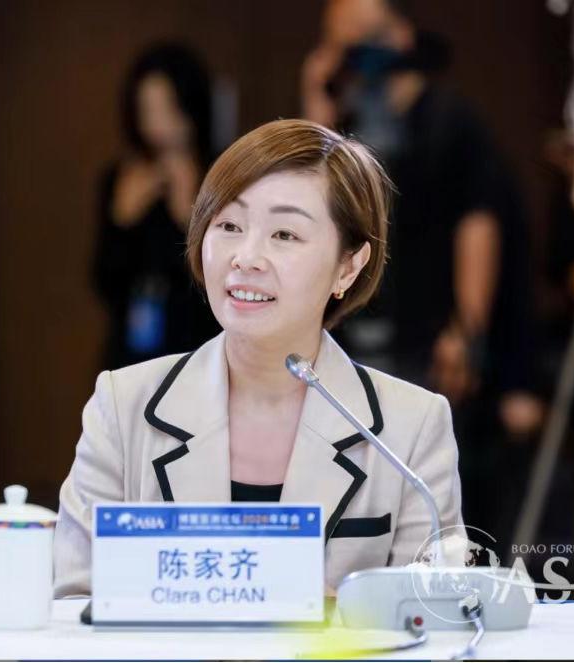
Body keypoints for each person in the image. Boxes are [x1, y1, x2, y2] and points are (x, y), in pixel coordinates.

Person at [55, 119, 465, 597]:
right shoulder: (123, 406)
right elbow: (75, 604)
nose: (246, 257)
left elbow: (434, 616)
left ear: (349, 266)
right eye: (229, 226)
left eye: (285, 235)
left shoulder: (412, 428)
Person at [301, 0, 543, 539]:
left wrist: (467, 329)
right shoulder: (346, 118)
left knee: (436, 478)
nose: (351, 56)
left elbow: (478, 226)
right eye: (338, 44)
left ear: (400, 37)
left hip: (430, 334)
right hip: (355, 328)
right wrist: (317, 102)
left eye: (359, 40)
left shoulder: (450, 121)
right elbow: (312, 191)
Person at [93, 43, 221, 370]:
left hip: (198, 349)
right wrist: (122, 220)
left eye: (168, 109)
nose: (158, 125)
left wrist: (187, 219)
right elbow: (104, 280)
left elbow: (219, 283)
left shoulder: (219, 175)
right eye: (147, 111)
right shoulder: (122, 177)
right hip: (134, 350)